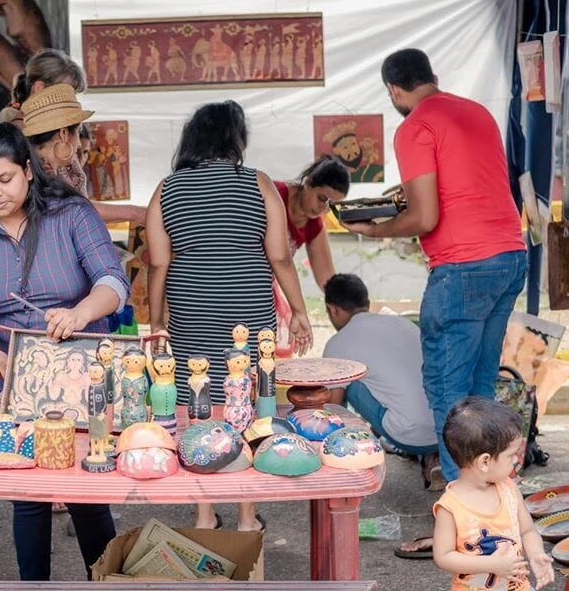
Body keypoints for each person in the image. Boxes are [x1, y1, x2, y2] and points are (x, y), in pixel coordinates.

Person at [341, 48, 527, 559]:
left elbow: (425, 217)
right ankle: (494, 515)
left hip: (463, 266)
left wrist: (375, 229)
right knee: (480, 394)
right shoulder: (476, 113)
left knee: (449, 396)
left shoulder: (415, 126)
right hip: (509, 257)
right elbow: (465, 186)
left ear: (394, 91)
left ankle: (463, 529)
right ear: (432, 77)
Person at [0, 121, 126, 580]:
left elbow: (112, 281)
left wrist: (80, 313)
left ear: (28, 169)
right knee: (27, 494)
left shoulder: (72, 214)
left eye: (5, 179)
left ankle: (105, 582)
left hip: (82, 376)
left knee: (85, 490)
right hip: (12, 384)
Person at [146, 100, 313, 532]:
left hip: (192, 310)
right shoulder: (259, 184)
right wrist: (299, 310)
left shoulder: (166, 189)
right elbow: (280, 256)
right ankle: (246, 515)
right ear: (236, 140)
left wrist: (157, 321)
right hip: (248, 310)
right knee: (248, 402)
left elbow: (158, 263)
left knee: (197, 401)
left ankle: (204, 514)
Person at [322, 274, 440, 485]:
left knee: (349, 380)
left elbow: (333, 407)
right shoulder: (404, 324)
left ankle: (346, 448)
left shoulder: (339, 342)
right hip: (445, 431)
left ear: (333, 310)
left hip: (409, 436)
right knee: (387, 384)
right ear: (367, 303)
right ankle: (433, 457)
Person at [432, 397, 554, 590]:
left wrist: (536, 554)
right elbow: (443, 556)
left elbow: (527, 531)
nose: (516, 460)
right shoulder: (450, 507)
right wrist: (491, 564)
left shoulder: (509, 489)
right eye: (511, 455)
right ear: (484, 462)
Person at [18, 52, 147, 225]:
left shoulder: (58, 152)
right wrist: (135, 213)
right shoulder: (17, 138)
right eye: (65, 93)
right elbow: (68, 208)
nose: (78, 144)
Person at [276, 155, 350, 290]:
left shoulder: (314, 225)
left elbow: (327, 279)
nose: (324, 208)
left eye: (332, 205)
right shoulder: (273, 195)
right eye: (322, 198)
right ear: (308, 183)